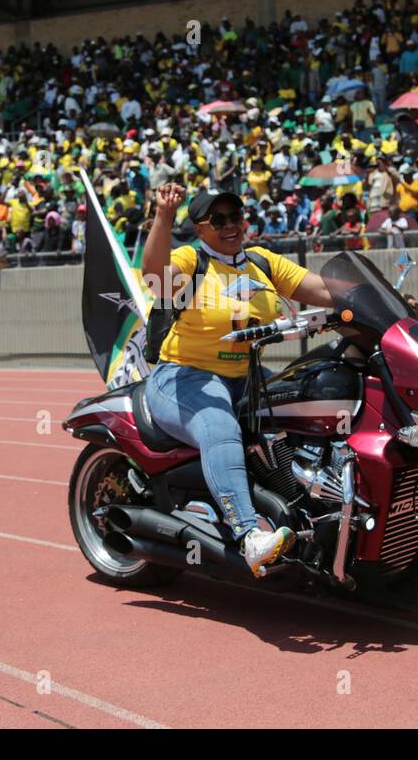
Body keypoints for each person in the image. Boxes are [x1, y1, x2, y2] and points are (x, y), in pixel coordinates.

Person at [141, 184, 343, 576]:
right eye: (218, 220)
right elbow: (154, 278)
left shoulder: (262, 263)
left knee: (312, 397)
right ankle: (250, 536)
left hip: (245, 379)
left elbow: (321, 289)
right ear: (200, 229)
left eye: (236, 216)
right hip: (184, 377)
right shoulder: (191, 261)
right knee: (219, 424)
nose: (231, 225)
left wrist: (381, 299)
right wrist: (164, 215)